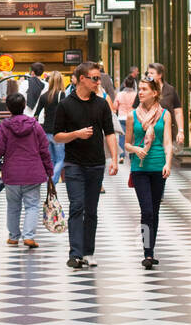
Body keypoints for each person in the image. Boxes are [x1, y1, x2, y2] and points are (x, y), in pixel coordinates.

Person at [54, 62, 118, 270]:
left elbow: (109, 132)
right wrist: (76, 134)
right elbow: (57, 136)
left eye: (98, 78)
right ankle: (75, 253)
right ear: (82, 78)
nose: (98, 82)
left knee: (91, 210)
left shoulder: (101, 104)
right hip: (74, 164)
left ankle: (88, 251)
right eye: (95, 78)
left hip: (96, 164)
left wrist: (115, 159)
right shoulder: (65, 105)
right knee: (77, 206)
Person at [0, 92, 52, 248]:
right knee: (32, 205)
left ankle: (13, 236)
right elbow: (44, 149)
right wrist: (49, 171)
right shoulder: (35, 125)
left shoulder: (3, 126)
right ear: (24, 105)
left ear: (8, 107)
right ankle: (29, 236)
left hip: (11, 173)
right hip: (33, 172)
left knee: (13, 205)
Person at [126, 75, 173, 269]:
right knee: (146, 210)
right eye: (140, 89)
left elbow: (168, 142)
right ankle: (147, 253)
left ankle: (151, 251)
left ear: (155, 93)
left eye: (145, 89)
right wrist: (136, 150)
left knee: (154, 210)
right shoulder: (132, 116)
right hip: (140, 168)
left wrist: (168, 163)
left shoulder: (164, 115)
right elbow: (127, 144)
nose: (141, 92)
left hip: (158, 166)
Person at [34, 70, 67, 187]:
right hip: (58, 132)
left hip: (46, 131)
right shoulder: (62, 95)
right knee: (61, 159)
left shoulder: (44, 96)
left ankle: (51, 181)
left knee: (52, 160)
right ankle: (52, 181)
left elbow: (36, 115)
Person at [147, 62, 185, 146]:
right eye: (148, 73)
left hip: (168, 132)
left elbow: (178, 112)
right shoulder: (144, 89)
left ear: (160, 75)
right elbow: (135, 109)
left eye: (152, 73)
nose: (149, 75)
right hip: (148, 133)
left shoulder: (170, 90)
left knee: (168, 156)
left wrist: (181, 131)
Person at [114, 74, 138, 164]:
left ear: (124, 84)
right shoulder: (136, 95)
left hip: (122, 118)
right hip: (132, 118)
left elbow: (115, 106)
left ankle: (121, 156)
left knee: (122, 137)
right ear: (133, 85)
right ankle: (132, 156)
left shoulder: (119, 94)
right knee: (132, 138)